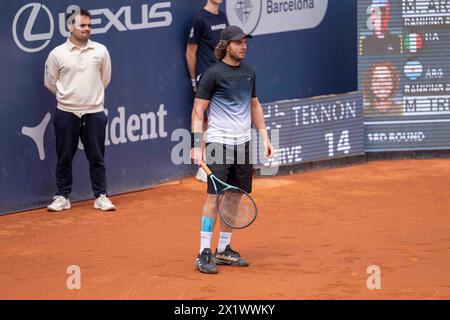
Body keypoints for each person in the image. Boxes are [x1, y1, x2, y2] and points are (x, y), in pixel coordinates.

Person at [190, 26, 273, 274]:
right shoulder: (212, 74)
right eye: (238, 43)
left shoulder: (249, 73)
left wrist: (265, 138)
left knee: (235, 196)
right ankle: (204, 251)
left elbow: (255, 106)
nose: (244, 46)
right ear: (226, 45)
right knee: (214, 198)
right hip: (218, 143)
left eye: (245, 42)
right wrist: (196, 146)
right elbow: (198, 111)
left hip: (243, 144)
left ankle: (224, 249)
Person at [44, 8, 116, 212]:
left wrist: (91, 99)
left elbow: (105, 79)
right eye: (82, 25)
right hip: (66, 112)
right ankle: (62, 196)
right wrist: (68, 97)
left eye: (89, 26)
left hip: (94, 112)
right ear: (70, 27)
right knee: (64, 156)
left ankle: (101, 196)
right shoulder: (57, 53)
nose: (86, 29)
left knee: (97, 157)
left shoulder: (100, 51)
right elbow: (50, 81)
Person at [186, 0, 228, 183]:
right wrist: (194, 79)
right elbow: (190, 52)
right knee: (202, 120)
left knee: (215, 121)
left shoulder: (222, 16)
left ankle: (213, 164)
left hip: (222, 75)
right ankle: (202, 167)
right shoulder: (199, 19)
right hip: (206, 76)